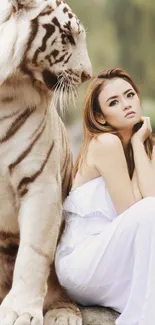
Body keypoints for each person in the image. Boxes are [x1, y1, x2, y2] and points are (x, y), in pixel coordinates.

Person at [55, 68, 155, 325]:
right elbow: (137, 210)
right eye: (114, 102)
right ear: (100, 116)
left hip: (116, 261)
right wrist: (135, 144)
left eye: (129, 95)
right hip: (82, 262)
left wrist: (138, 146)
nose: (126, 105)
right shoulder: (104, 144)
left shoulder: (145, 147)